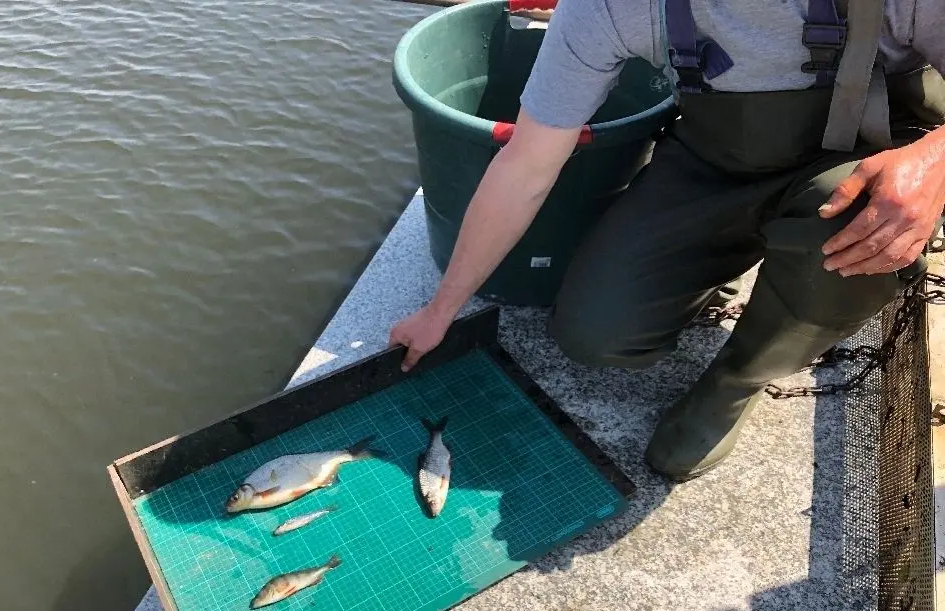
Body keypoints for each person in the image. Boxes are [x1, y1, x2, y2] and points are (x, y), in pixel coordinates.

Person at [388, 0, 945, 481]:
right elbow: (525, 167)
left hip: (862, 159)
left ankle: (738, 380)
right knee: (595, 334)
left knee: (857, 225)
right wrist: (441, 310)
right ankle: (723, 267)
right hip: (715, 165)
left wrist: (932, 163)